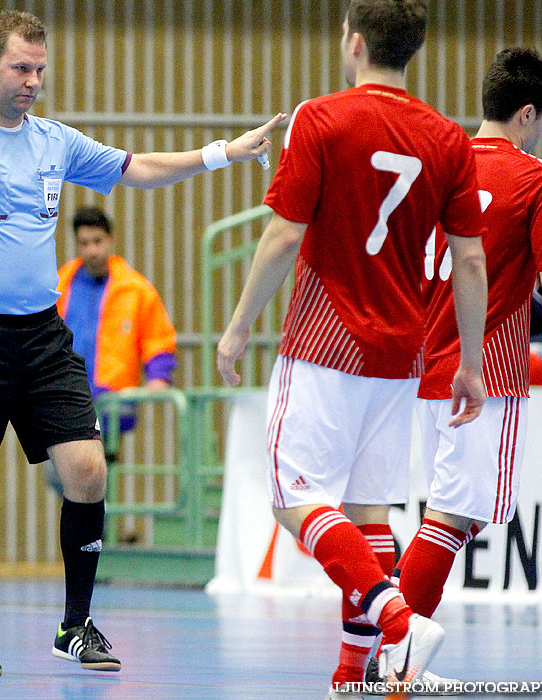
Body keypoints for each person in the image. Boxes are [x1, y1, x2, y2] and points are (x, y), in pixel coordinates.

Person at [0, 9, 283, 677]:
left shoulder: (54, 142)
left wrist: (221, 154)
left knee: (88, 471)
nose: (33, 80)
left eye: (39, 69)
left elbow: (140, 168)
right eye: (20, 68)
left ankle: (76, 623)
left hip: (40, 336)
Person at [216, 2, 488, 697]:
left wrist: (239, 324)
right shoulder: (447, 141)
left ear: (354, 42)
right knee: (368, 514)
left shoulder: (321, 117)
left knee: (292, 498)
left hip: (323, 343)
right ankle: (350, 677)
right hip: (402, 352)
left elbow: (280, 236)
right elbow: (468, 262)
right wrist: (467, 362)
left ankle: (396, 619)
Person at [377, 47, 542, 681]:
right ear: (526, 113)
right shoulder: (538, 177)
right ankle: (392, 660)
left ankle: (388, 655)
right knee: (452, 515)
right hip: (480, 367)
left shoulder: (435, 160)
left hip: (416, 362)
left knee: (441, 513)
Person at [57, 206, 176, 460]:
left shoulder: (135, 289)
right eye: (84, 243)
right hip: (66, 395)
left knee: (89, 468)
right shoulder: (60, 285)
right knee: (64, 471)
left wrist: (159, 377)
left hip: (112, 401)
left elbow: (157, 337)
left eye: (97, 241)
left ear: (111, 239)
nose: (91, 250)